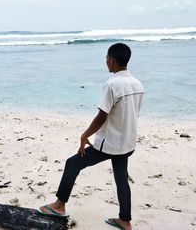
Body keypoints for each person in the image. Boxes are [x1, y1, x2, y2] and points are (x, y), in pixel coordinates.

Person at [38, 43, 144, 230]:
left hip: (109, 144)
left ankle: (59, 206)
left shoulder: (112, 84)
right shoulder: (137, 83)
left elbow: (102, 116)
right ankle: (125, 221)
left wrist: (84, 136)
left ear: (111, 59)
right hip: (127, 143)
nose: (105, 61)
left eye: (106, 58)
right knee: (121, 178)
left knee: (72, 164)